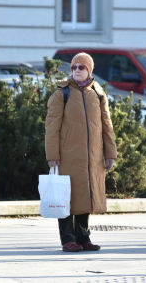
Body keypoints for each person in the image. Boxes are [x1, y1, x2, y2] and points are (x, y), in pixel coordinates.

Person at [45, 52, 117, 252]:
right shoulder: (62, 93)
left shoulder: (98, 92)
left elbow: (106, 125)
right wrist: (52, 156)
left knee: (86, 196)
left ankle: (83, 237)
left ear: (89, 70)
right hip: (67, 156)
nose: (77, 70)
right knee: (66, 197)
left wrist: (110, 153)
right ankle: (68, 239)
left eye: (81, 67)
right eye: (74, 67)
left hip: (92, 157)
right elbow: (51, 127)